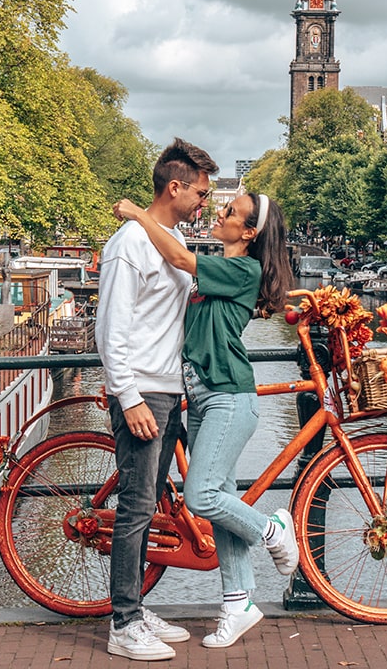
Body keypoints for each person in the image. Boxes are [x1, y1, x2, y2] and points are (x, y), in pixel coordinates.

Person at [115, 191, 296, 649]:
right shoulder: (221, 269)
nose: (220, 213)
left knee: (201, 495)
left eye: (230, 212)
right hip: (198, 395)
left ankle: (272, 528)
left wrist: (138, 213)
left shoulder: (243, 269)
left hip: (227, 395)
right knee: (222, 501)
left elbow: (176, 254)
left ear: (249, 233)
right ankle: (238, 603)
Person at [95, 138, 218, 661]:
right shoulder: (130, 244)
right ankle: (123, 624)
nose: (206, 202)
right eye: (202, 192)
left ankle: (137, 611)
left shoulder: (164, 238)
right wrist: (129, 396)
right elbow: (110, 328)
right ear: (175, 188)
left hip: (167, 390)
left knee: (151, 507)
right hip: (144, 390)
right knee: (137, 508)